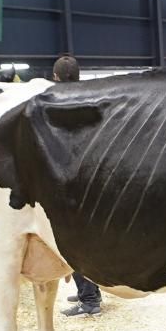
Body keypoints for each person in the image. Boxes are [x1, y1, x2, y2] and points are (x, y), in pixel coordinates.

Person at [52, 55, 103, 317]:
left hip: (70, 179)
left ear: (56, 77)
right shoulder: (91, 97)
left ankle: (90, 298)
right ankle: (92, 291)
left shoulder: (57, 103)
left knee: (73, 241)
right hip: (93, 175)